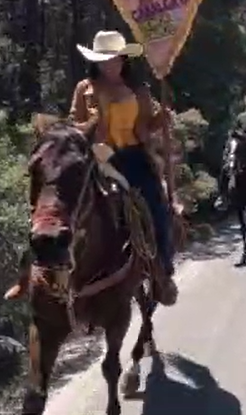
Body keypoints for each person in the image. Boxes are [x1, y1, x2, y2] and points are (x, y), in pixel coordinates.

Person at [69, 30, 179, 306]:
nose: (109, 64)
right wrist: (85, 131)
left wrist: (162, 119)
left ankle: (163, 273)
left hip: (133, 157)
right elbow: (74, 122)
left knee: (158, 207)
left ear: (123, 59)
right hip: (97, 158)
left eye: (114, 59)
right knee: (64, 208)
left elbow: (146, 126)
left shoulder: (138, 90)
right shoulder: (85, 89)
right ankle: (59, 280)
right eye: (104, 59)